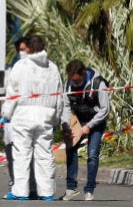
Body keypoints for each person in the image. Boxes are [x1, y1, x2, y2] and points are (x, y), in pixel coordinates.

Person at [1, 36, 64, 201]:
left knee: (22, 154)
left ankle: (21, 192)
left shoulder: (20, 66)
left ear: (28, 48)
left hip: (23, 116)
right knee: (44, 155)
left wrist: (6, 116)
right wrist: (56, 119)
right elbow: (59, 97)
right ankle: (47, 192)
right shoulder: (53, 68)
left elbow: (12, 94)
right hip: (46, 117)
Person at [60, 60, 110, 201]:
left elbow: (105, 109)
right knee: (70, 149)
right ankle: (71, 188)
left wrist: (90, 125)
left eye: (77, 80)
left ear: (83, 74)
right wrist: (66, 125)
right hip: (78, 119)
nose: (74, 83)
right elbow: (65, 106)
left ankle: (89, 190)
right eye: (72, 79)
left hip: (96, 120)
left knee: (92, 154)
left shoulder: (98, 83)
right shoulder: (68, 83)